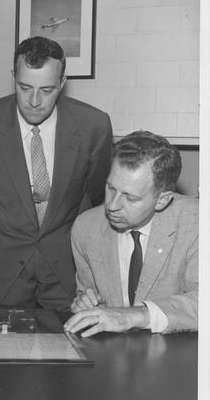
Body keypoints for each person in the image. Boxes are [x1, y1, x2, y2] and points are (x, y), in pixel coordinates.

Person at [0, 36, 113, 309]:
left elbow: (94, 188)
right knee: (2, 345)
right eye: (24, 87)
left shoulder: (94, 125)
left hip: (66, 262)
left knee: (71, 343)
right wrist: (8, 215)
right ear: (13, 77)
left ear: (62, 83)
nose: (34, 101)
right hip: (4, 263)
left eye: (47, 89)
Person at [64, 131, 198, 337]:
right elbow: (90, 296)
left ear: (162, 200)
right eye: (110, 188)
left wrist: (133, 316)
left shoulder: (197, 221)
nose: (112, 205)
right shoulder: (86, 228)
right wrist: (86, 303)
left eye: (131, 198)